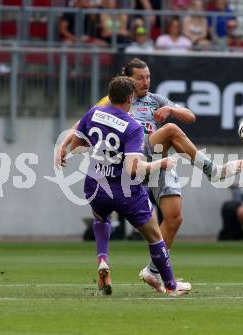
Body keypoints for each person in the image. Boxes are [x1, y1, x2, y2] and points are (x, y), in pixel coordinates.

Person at [58, 58, 243, 293]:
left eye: (148, 77)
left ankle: (153, 271)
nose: (145, 82)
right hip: (133, 157)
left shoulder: (155, 100)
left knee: (174, 217)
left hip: (154, 163)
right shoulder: (118, 98)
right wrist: (66, 141)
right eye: (140, 78)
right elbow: (88, 117)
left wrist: (172, 109)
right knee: (171, 131)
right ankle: (213, 172)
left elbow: (191, 116)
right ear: (127, 78)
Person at [68, 76, 191, 296]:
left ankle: (103, 260)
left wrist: (100, 151)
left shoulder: (93, 113)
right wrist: (161, 163)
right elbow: (133, 168)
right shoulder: (132, 127)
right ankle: (171, 286)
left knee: (101, 218)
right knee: (155, 236)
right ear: (130, 98)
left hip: (95, 185)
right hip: (126, 191)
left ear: (110, 95)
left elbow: (77, 147)